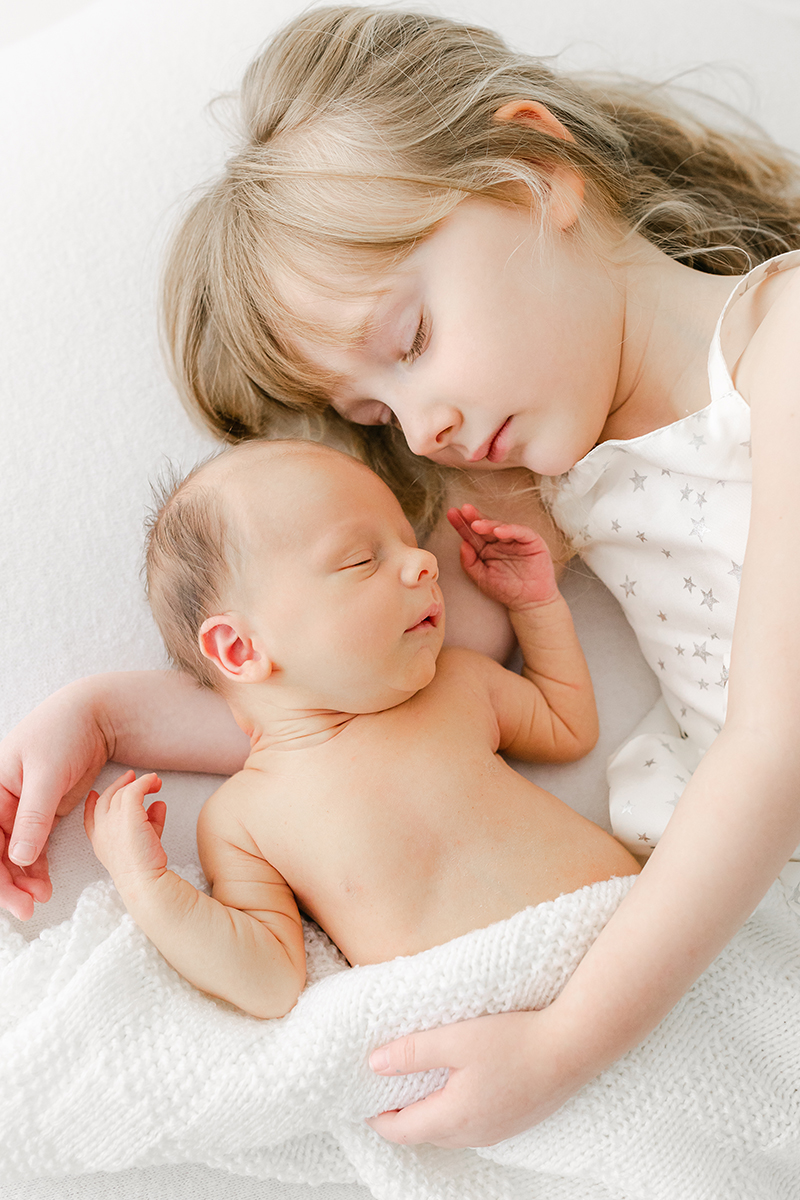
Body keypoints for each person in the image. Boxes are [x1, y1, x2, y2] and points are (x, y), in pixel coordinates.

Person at [2, 3, 800, 1149]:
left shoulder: (780, 348)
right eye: (373, 413)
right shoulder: (542, 487)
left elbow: (772, 748)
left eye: (412, 338)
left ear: (533, 168)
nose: (421, 429)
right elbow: (374, 701)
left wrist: (566, 1043)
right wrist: (102, 717)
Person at [84, 438, 638, 1017]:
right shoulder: (242, 820)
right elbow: (268, 981)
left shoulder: (456, 684)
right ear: (240, 648)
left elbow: (568, 725)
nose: (424, 563)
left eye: (410, 541)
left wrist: (536, 606)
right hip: (483, 1020)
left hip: (632, 930)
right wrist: (148, 887)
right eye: (361, 560)